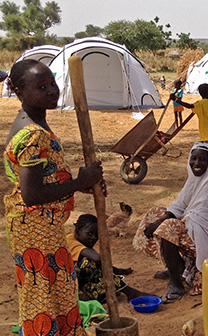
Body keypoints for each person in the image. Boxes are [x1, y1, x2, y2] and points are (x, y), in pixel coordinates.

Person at [4, 59, 105, 336]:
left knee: (56, 292)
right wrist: (79, 181)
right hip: (36, 231)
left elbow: (44, 180)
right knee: (43, 300)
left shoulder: (33, 123)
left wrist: (80, 185)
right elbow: (32, 193)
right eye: (42, 87)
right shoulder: (32, 134)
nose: (52, 90)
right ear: (19, 92)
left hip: (41, 229)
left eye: (52, 83)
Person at [133, 142, 208, 303]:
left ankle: (176, 282)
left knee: (168, 227)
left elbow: (196, 216)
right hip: (195, 230)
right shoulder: (195, 179)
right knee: (156, 213)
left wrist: (164, 223)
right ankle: (176, 267)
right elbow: (181, 204)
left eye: (202, 159)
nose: (197, 163)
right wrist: (161, 219)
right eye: (193, 158)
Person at [67, 214, 150, 302]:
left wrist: (117, 270)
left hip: (78, 281)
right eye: (89, 234)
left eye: (97, 234)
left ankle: (106, 294)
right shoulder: (70, 240)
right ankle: (129, 292)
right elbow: (98, 259)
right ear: (77, 231)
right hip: (66, 282)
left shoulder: (83, 243)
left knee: (105, 293)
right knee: (89, 263)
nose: (94, 238)